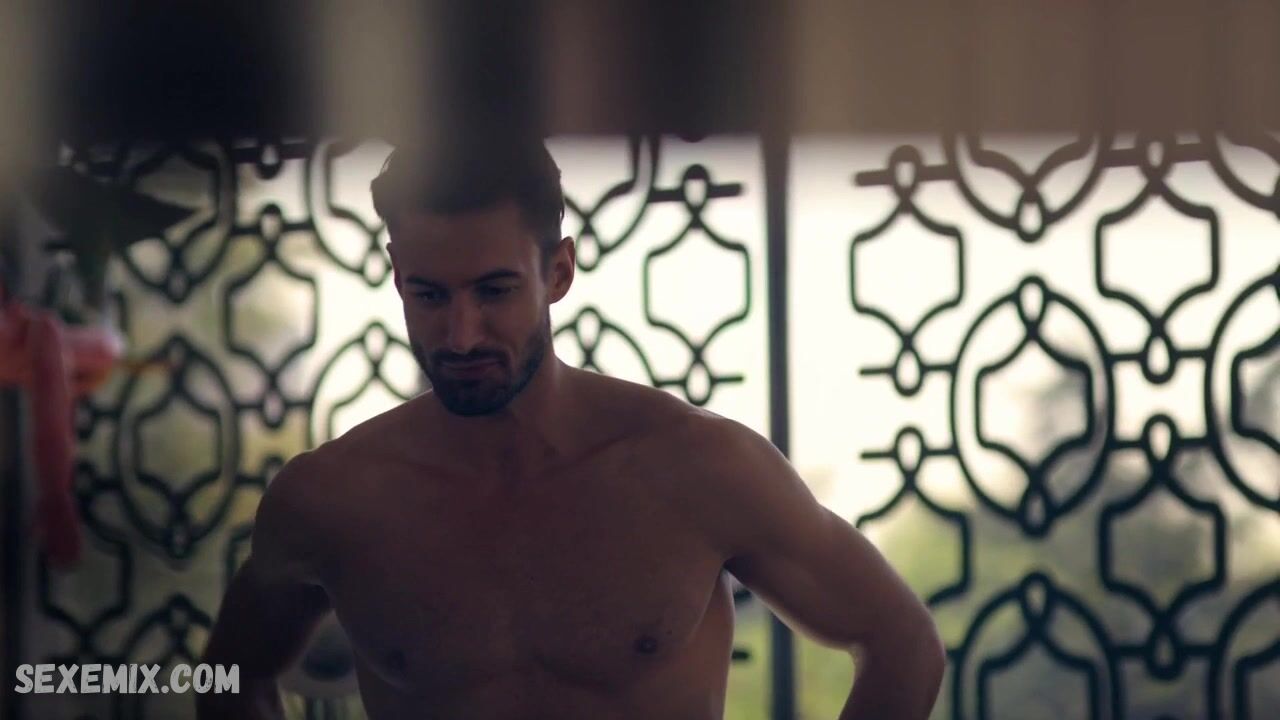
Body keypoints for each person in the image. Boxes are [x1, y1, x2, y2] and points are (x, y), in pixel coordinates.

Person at [198, 133, 944, 720]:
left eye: (495, 291)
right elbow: (227, 676)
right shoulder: (333, 500)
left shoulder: (696, 467)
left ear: (557, 273)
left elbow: (902, 642)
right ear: (396, 276)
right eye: (429, 295)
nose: (460, 335)